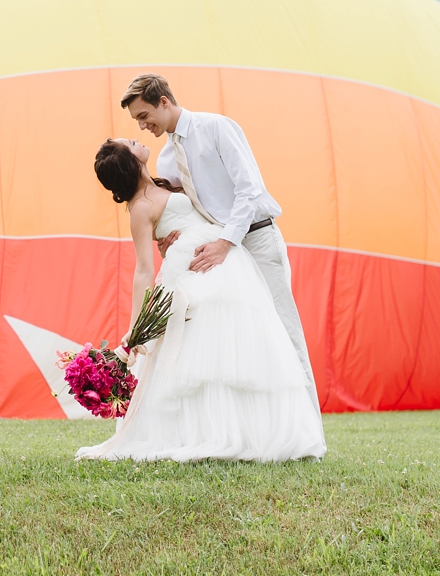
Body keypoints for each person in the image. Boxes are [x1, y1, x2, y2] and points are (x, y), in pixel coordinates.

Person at [75, 138, 325, 462]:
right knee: (201, 350)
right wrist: (135, 327)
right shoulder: (139, 208)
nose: (136, 139)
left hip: (218, 254)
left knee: (235, 342)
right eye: (129, 144)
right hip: (190, 268)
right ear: (128, 162)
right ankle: (210, 433)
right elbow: (142, 269)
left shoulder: (167, 180)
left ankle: (250, 431)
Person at [123, 73, 322, 417]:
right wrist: (168, 241)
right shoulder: (168, 159)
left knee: (283, 329)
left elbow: (250, 189)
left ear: (164, 102)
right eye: (137, 121)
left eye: (144, 116)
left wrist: (225, 242)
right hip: (218, 252)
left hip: (254, 239)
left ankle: (307, 427)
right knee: (241, 339)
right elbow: (181, 210)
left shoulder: (217, 128)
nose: (142, 126)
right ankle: (260, 424)